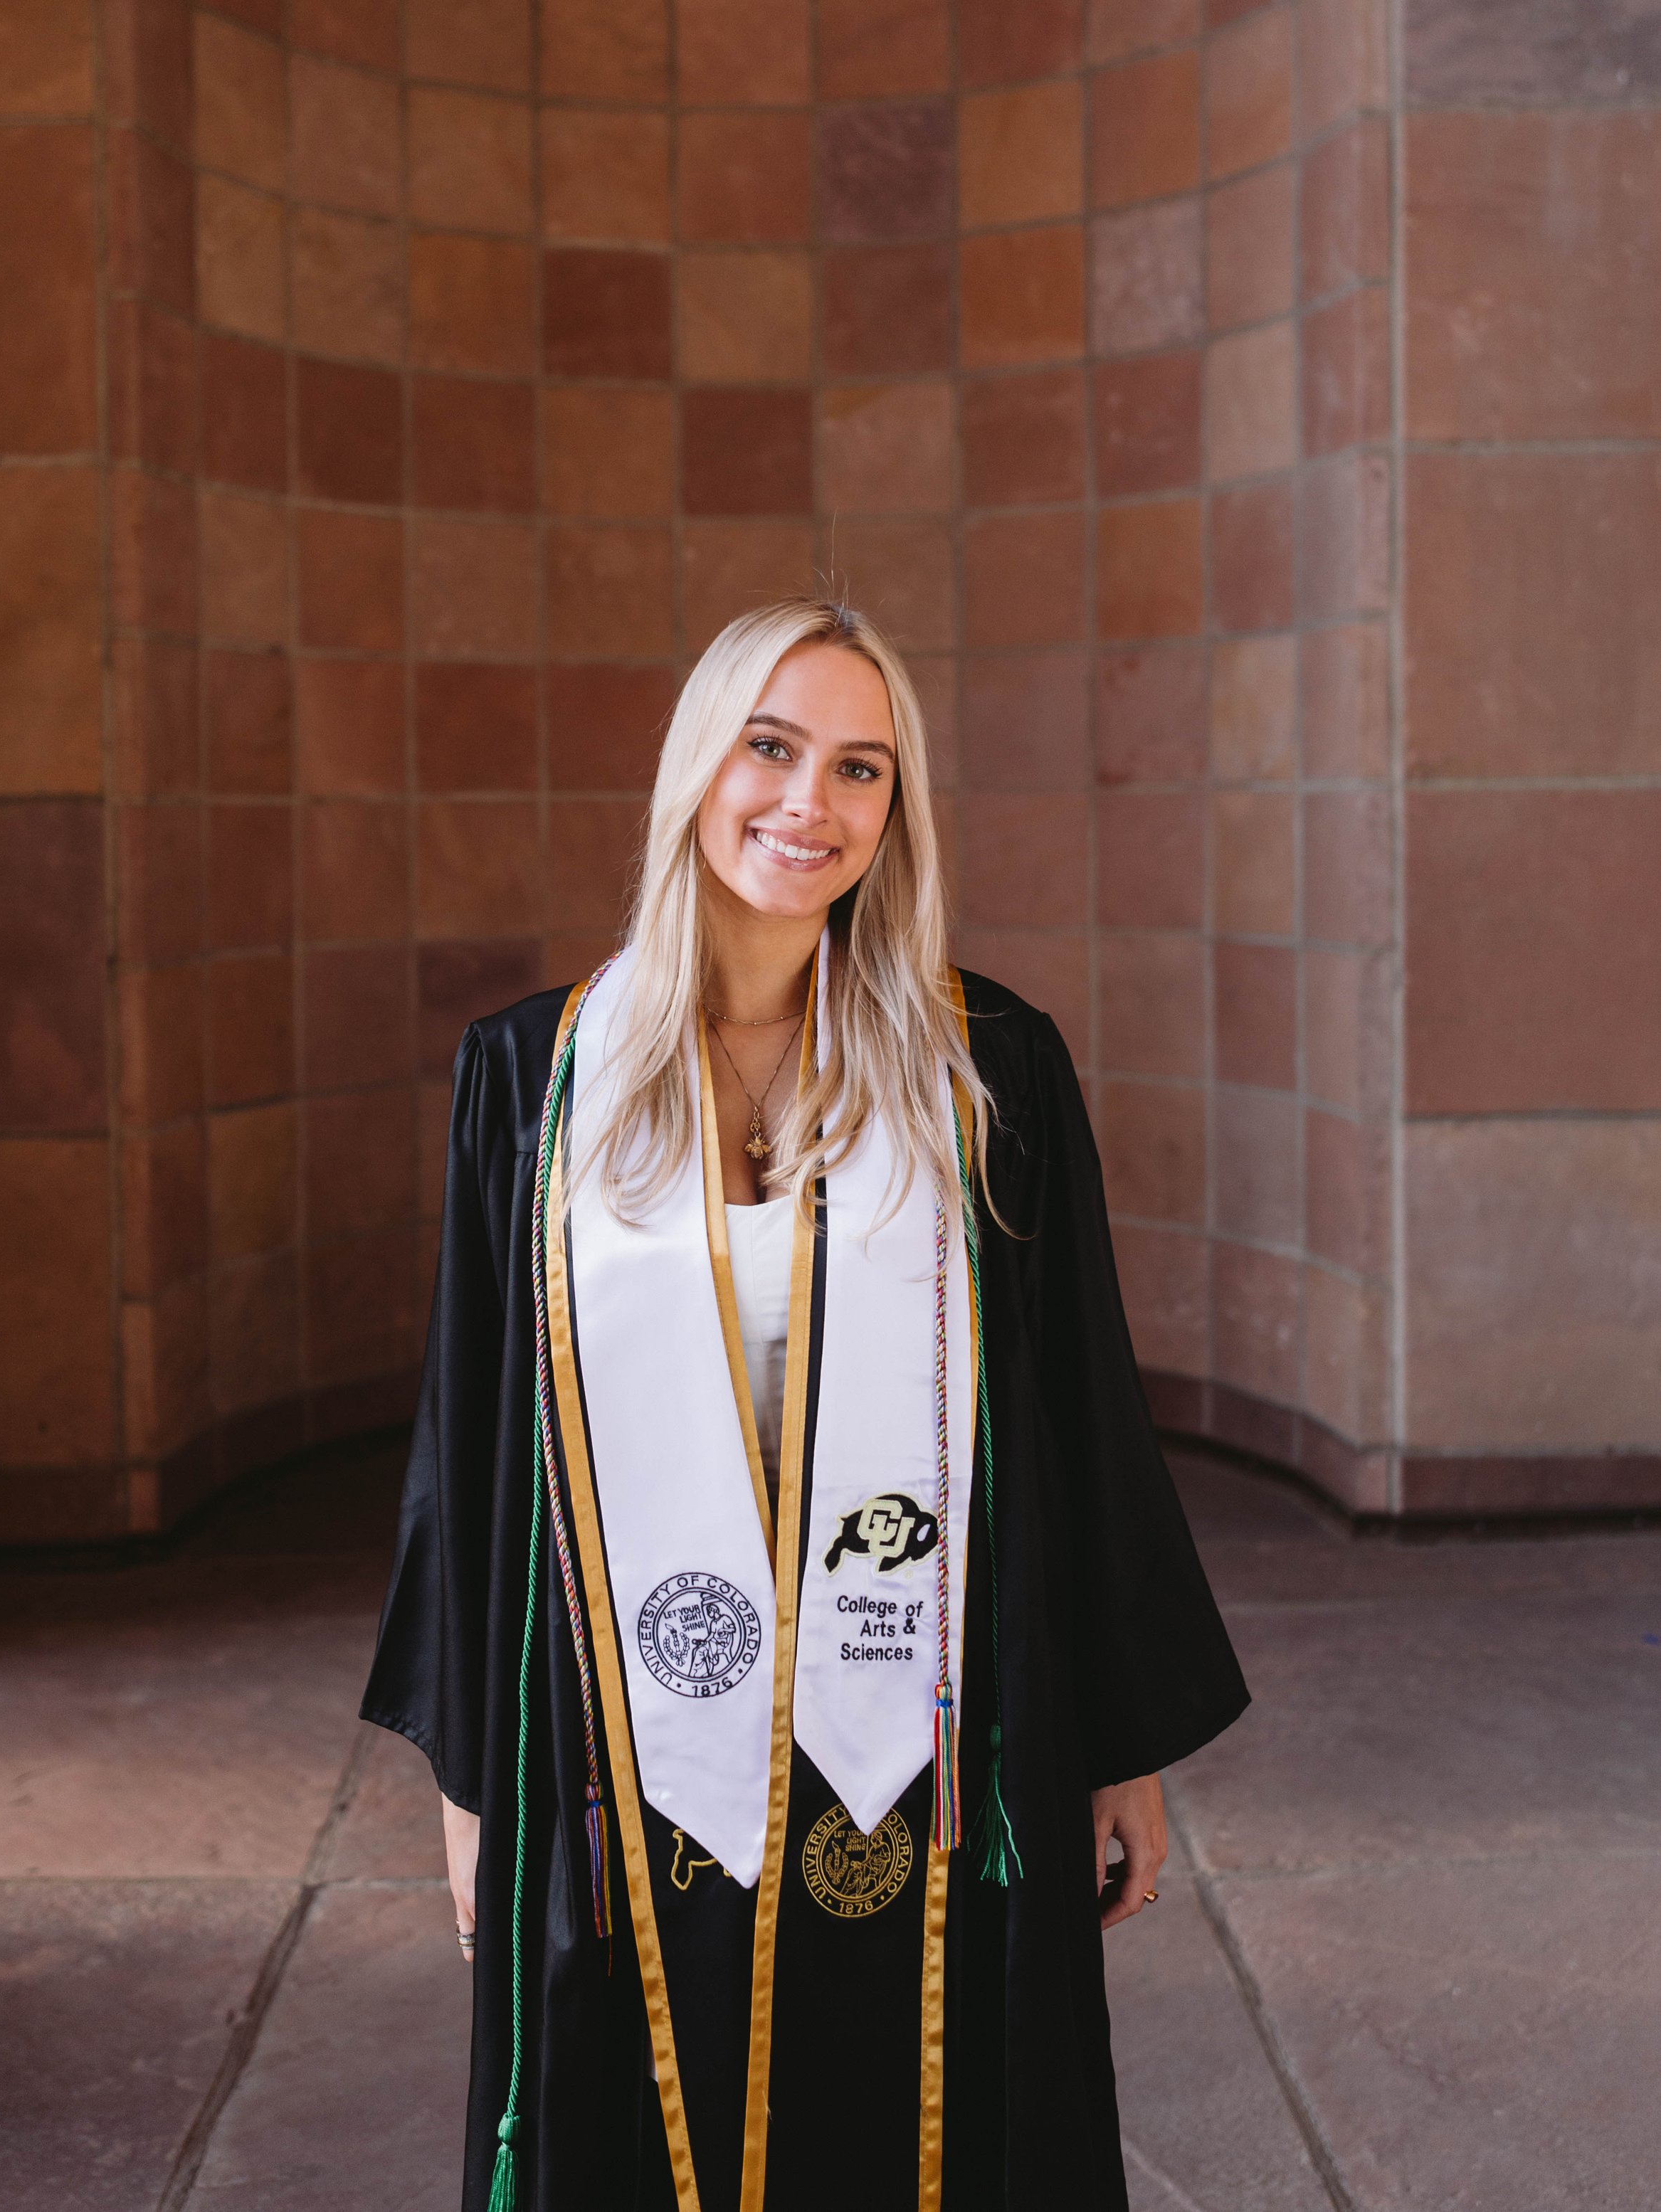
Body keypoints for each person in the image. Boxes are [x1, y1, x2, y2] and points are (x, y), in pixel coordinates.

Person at [361, 598, 1248, 2212]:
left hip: (919, 1720)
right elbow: (476, 1450)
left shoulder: (984, 1071)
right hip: (624, 1737)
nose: (808, 805)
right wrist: (468, 1780)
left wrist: (1118, 1744)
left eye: (859, 768)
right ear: (697, 769)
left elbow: (1077, 1414)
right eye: (770, 748)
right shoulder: (534, 1081)